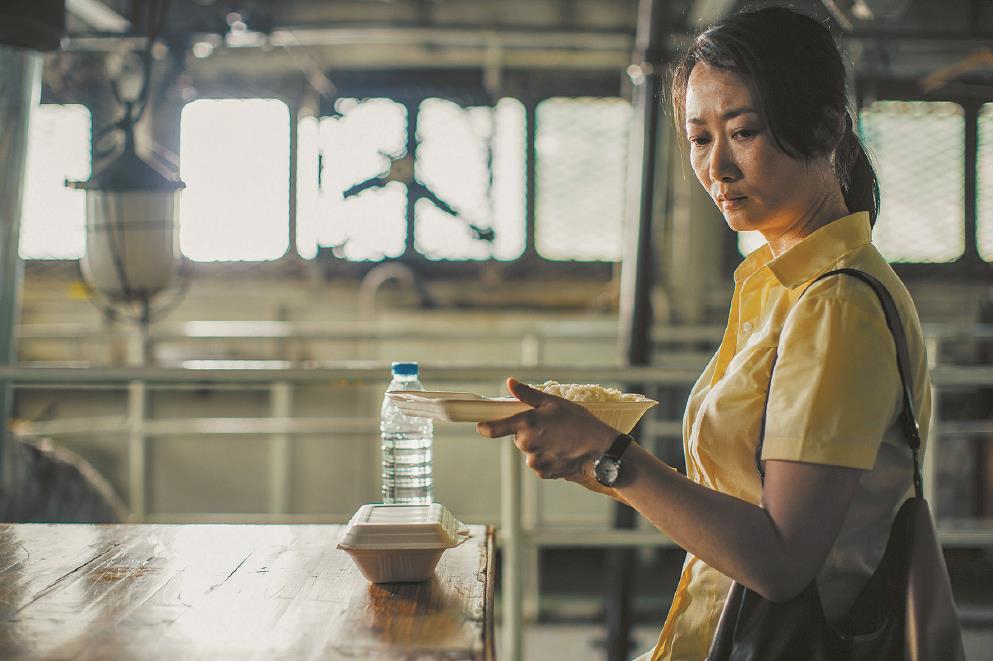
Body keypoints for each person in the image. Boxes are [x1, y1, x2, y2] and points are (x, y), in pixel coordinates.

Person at [476, 7, 931, 660]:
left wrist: (614, 458)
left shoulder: (835, 302)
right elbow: (737, 509)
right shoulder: (777, 282)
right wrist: (593, 455)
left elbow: (779, 561)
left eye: (742, 131)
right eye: (698, 138)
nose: (717, 167)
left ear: (827, 125)